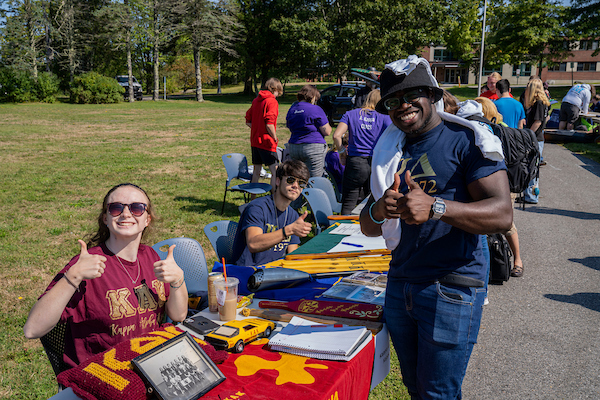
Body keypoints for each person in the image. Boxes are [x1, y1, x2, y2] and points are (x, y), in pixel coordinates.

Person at [360, 56, 512, 399]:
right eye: (393, 101)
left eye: (411, 94)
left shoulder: (468, 139)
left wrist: (437, 207)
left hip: (452, 287)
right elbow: (369, 226)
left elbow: (503, 215)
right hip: (401, 284)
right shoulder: (389, 149)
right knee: (415, 388)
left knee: (438, 393)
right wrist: (380, 207)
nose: (403, 106)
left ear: (431, 92)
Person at [23, 183, 188, 369]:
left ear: (147, 219)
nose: (126, 214)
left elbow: (178, 314)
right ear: (105, 218)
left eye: (136, 208)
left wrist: (177, 280)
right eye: (116, 208)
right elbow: (32, 329)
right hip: (102, 373)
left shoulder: (151, 256)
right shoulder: (86, 266)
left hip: (149, 364)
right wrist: (73, 277)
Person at [471, 97, 525, 278]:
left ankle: (517, 260)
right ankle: (494, 264)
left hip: (504, 183)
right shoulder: (481, 129)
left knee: (506, 224)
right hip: (489, 182)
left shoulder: (495, 131)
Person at [230, 160, 312, 266]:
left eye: (301, 183)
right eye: (291, 180)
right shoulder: (257, 208)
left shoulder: (293, 215)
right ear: (277, 181)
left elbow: (292, 256)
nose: (296, 186)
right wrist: (288, 230)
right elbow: (253, 244)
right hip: (248, 272)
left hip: (274, 272)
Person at [333, 89, 391, 215]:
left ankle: (341, 231)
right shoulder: (386, 118)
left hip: (355, 162)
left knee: (348, 201)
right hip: (376, 162)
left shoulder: (351, 114)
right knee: (372, 201)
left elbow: (336, 136)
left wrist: (342, 152)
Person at [246, 78, 283, 193]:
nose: (278, 95)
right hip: (267, 142)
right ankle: (273, 200)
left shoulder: (256, 100)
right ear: (275, 89)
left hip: (255, 141)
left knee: (256, 171)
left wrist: (257, 128)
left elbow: (248, 120)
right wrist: (275, 137)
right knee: (275, 172)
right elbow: (269, 124)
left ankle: (253, 199)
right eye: (278, 92)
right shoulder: (272, 101)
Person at [286, 84, 332, 178]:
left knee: (298, 177)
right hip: (313, 147)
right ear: (313, 97)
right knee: (315, 180)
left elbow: (289, 126)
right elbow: (327, 131)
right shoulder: (315, 109)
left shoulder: (292, 109)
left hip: (294, 146)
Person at [522, 78, 550, 204]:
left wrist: (528, 135)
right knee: (532, 167)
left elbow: (537, 122)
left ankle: (531, 196)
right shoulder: (542, 103)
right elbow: (545, 118)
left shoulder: (538, 103)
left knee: (532, 168)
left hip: (535, 139)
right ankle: (529, 194)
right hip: (538, 138)